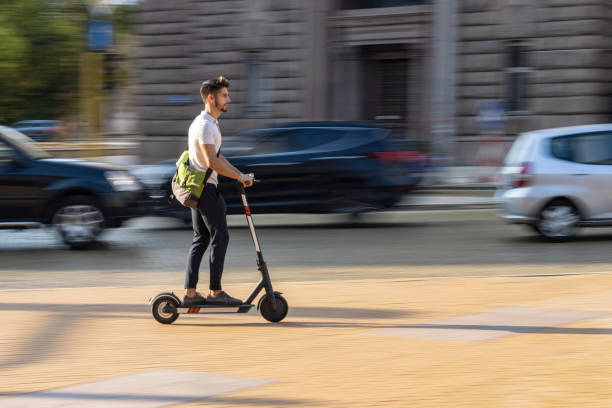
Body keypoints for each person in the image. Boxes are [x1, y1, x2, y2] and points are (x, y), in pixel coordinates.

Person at [183, 76, 254, 307]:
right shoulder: (204, 125)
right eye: (224, 96)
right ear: (211, 98)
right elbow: (211, 161)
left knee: (201, 238)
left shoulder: (208, 123)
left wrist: (239, 175)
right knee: (220, 236)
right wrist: (239, 177)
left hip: (200, 188)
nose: (229, 100)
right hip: (205, 190)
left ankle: (191, 293)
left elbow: (219, 156)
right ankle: (215, 293)